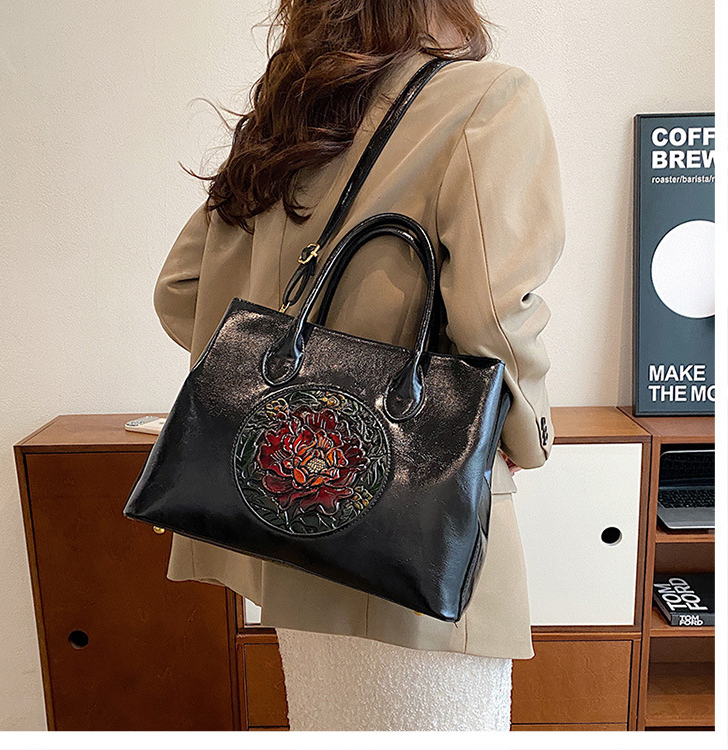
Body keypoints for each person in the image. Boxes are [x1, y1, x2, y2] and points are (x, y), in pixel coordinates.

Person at [153, 0, 564, 731]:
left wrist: (295, 385)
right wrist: (526, 436)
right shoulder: (488, 100)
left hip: (287, 523)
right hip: (413, 527)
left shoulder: (295, 114)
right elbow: (496, 317)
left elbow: (182, 291)